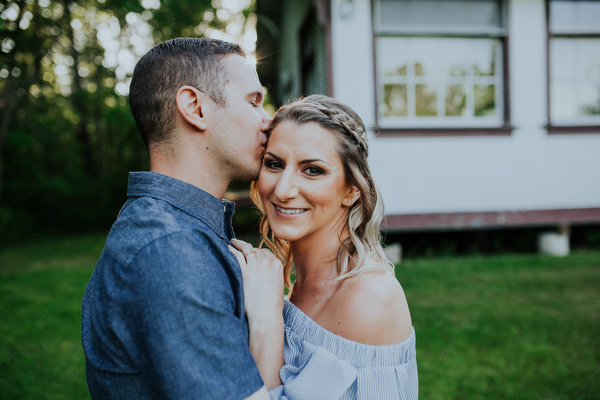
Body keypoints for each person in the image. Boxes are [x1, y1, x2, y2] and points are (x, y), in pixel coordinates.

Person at [81, 37, 281, 400]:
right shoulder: (171, 251)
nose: (269, 122)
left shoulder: (180, 230)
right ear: (195, 107)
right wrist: (267, 320)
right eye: (254, 102)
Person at [231, 95, 418, 399]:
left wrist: (266, 321)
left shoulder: (367, 300)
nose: (283, 189)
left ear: (353, 189)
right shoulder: (294, 279)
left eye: (312, 170)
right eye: (274, 164)